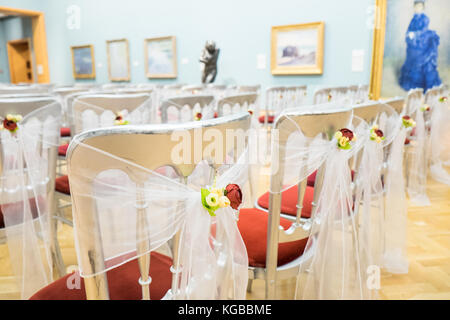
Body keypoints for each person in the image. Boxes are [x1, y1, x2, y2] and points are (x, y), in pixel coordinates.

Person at [399, 0, 442, 93]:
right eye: (416, 7)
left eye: (420, 7)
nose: (418, 8)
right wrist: (409, 34)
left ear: (423, 8)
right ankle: (412, 85)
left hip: (422, 42)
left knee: (420, 62)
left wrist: (415, 35)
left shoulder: (424, 18)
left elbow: (423, 31)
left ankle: (421, 86)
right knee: (411, 59)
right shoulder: (413, 18)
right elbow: (409, 30)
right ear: (414, 8)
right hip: (414, 44)